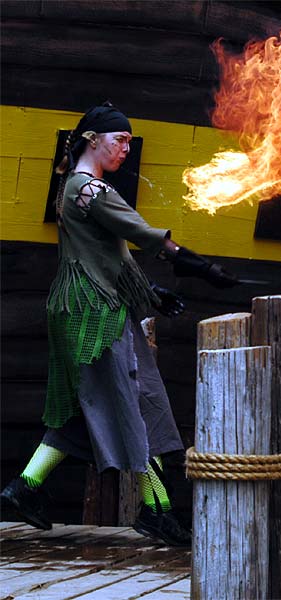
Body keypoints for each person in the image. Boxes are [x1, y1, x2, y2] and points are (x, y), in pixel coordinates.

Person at [0, 102, 239, 546]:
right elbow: (142, 235)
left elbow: (110, 256)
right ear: (93, 140)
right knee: (138, 402)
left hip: (87, 308)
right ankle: (156, 510)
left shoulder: (74, 188)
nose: (126, 149)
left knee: (89, 408)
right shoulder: (90, 190)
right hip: (98, 315)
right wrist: (200, 267)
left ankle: (25, 487)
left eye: (130, 142)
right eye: (120, 140)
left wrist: (152, 292)